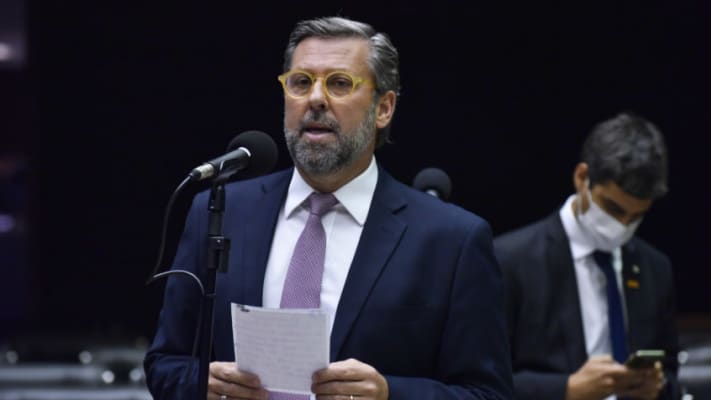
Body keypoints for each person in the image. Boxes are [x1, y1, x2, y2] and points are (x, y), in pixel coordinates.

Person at [144, 16, 513, 400]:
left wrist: (390, 394)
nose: (315, 99)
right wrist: (201, 384)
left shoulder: (451, 240)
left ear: (384, 108)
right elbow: (165, 363)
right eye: (301, 82)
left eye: (339, 83)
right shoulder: (221, 211)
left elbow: (487, 393)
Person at [494, 112, 681, 400]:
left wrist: (657, 387)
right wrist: (566, 390)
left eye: (636, 217)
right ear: (582, 177)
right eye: (614, 209)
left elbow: (670, 371)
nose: (622, 225)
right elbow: (483, 382)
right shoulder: (509, 261)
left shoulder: (655, 268)